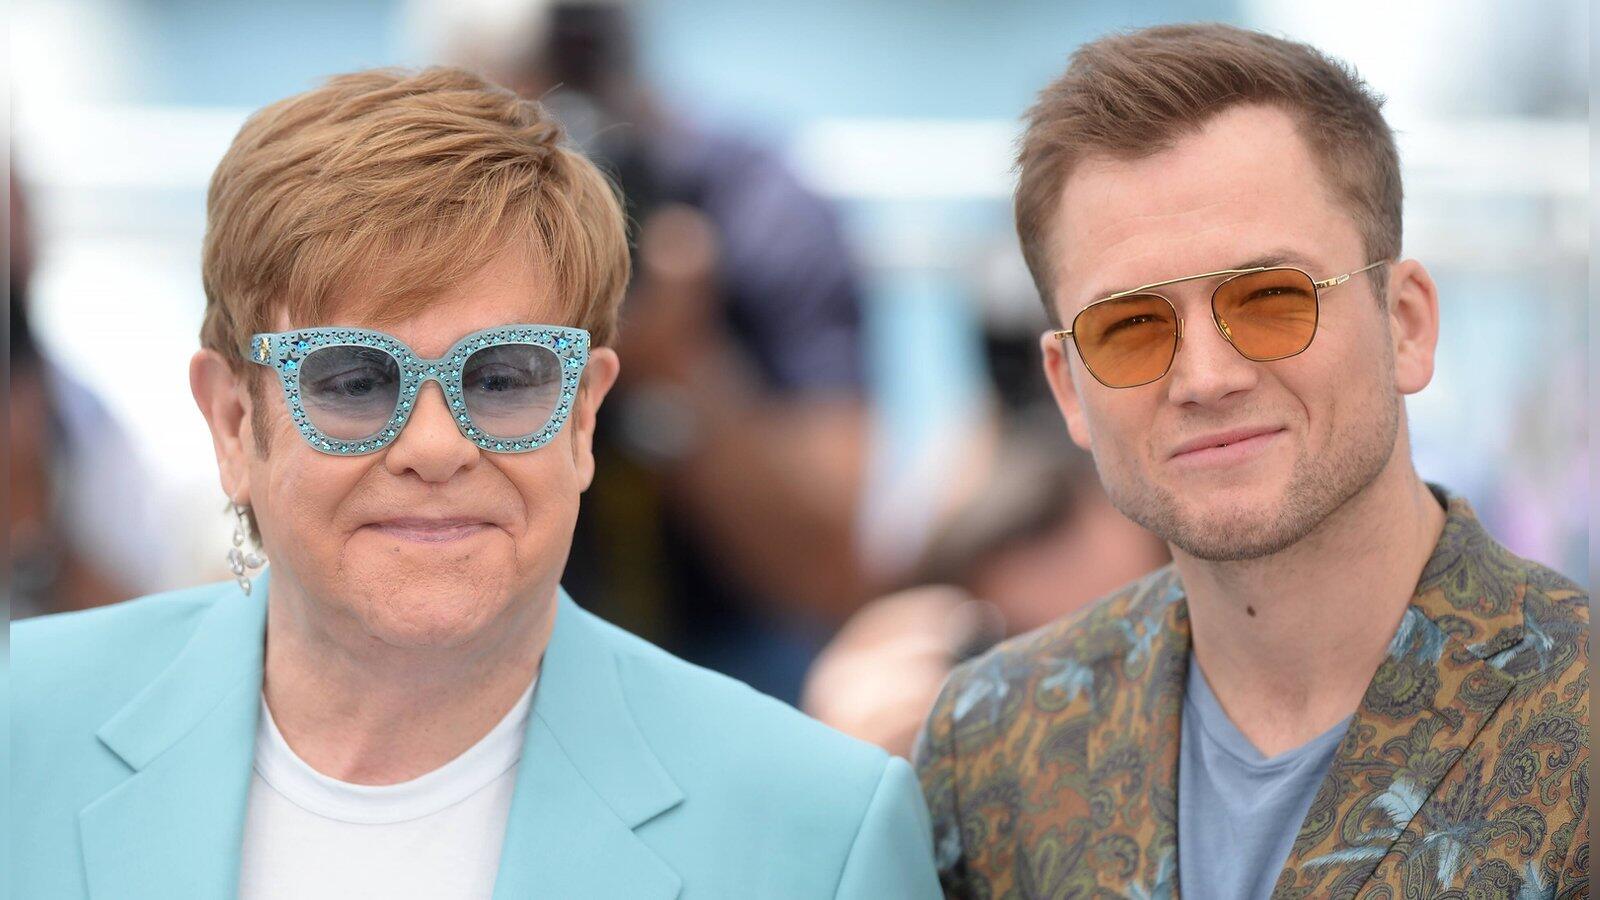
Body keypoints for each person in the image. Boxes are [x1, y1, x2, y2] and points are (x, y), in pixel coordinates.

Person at [11, 67, 940, 900]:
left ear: (583, 418)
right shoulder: (19, 725)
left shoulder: (820, 830)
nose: (435, 446)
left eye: (502, 378)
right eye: (353, 380)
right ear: (231, 421)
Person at [914, 24, 1588, 899]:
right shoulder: (992, 745)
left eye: (1272, 299)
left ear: (1407, 324)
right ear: (1068, 389)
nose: (1206, 378)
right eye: (1129, 328)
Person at [459, 0, 875, 703]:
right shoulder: (444, 218)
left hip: (727, 628)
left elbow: (827, 576)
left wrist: (681, 360)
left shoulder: (757, 208)